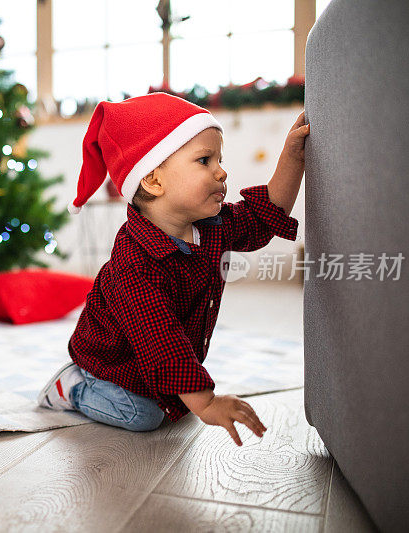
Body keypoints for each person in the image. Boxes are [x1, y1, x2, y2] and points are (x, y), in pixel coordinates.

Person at [37, 92, 310, 446]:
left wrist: (292, 159)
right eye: (204, 160)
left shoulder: (212, 225)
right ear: (152, 180)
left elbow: (261, 217)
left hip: (156, 358)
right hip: (113, 362)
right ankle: (72, 386)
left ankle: (166, 390)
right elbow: (164, 343)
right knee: (144, 415)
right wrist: (206, 403)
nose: (222, 171)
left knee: (171, 404)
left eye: (219, 159)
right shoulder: (134, 265)